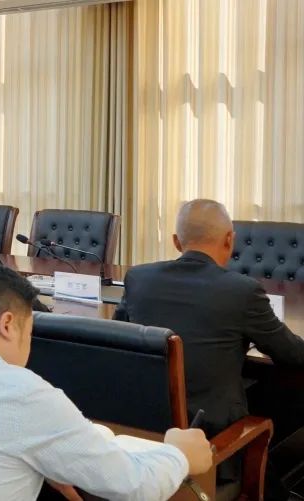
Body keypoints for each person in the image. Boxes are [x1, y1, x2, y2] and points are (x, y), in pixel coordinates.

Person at [0, 261, 213, 500]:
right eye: (29, 334)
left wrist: (50, 455)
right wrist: (179, 453)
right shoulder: (21, 392)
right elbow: (134, 486)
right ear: (8, 324)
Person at [114, 199, 304, 488]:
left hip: (143, 438)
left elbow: (118, 337)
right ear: (229, 240)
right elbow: (292, 354)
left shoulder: (139, 279)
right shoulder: (242, 291)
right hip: (213, 447)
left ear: (176, 242)